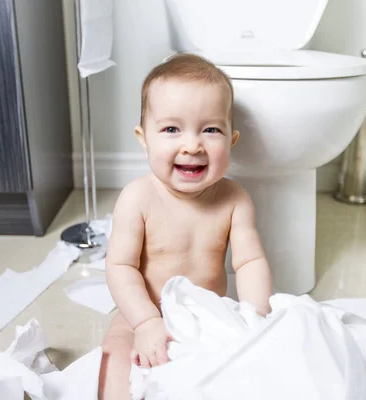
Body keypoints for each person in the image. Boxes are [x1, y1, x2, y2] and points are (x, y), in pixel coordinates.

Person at [98, 53, 273, 400]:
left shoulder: (235, 198)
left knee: (243, 378)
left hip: (208, 317)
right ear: (143, 137)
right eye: (171, 129)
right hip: (144, 311)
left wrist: (257, 315)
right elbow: (120, 266)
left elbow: (249, 262)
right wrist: (146, 322)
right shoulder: (137, 198)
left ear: (231, 140)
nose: (192, 145)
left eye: (210, 129)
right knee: (115, 363)